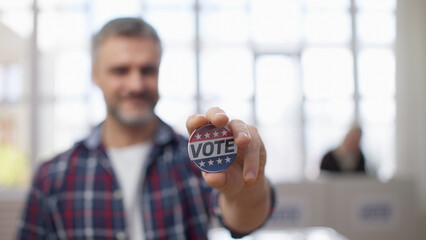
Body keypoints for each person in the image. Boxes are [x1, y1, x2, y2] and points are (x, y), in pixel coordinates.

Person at [16, 17, 274, 239]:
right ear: (96, 75)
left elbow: (242, 221)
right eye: (120, 71)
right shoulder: (53, 176)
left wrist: (245, 190)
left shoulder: (194, 160)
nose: (136, 84)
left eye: (148, 70)